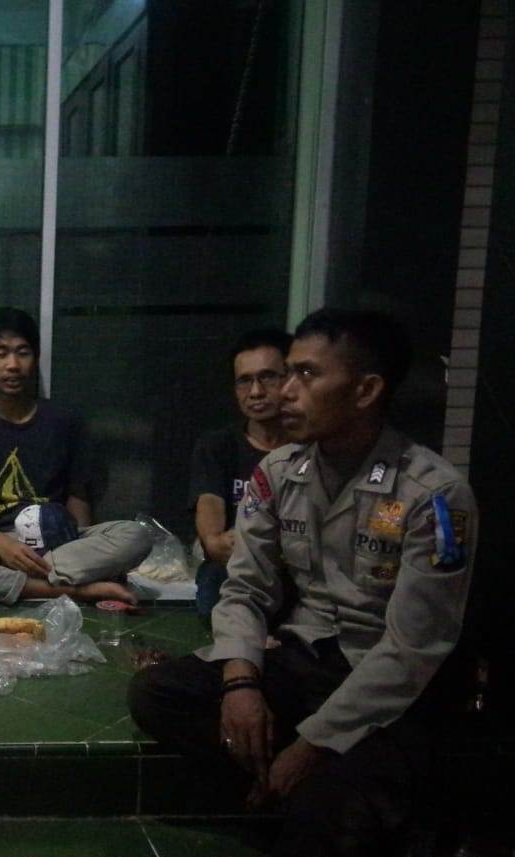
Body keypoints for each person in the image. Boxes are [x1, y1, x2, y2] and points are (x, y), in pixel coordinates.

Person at [128, 308, 478, 857]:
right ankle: (282, 780)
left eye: (307, 374)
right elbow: (245, 588)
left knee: (323, 817)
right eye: (288, 372)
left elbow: (411, 650)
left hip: (380, 686)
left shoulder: (431, 493)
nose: (285, 391)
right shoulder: (280, 472)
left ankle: (312, 786)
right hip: (304, 657)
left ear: (365, 390)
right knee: (157, 693)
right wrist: (240, 683)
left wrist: (312, 744)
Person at [0, 308, 152, 605]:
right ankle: (73, 590)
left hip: (59, 543)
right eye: (1, 354)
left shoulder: (65, 421)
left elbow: (78, 500)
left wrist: (87, 555)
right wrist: (2, 545)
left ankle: (16, 582)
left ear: (35, 359)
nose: (13, 365)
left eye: (22, 353)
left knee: (136, 536)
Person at [190, 329, 292, 623]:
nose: (256, 392)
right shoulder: (218, 445)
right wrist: (214, 540)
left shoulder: (311, 448)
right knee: (214, 582)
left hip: (296, 565)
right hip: (238, 562)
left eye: (268, 377)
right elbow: (211, 523)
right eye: (244, 381)